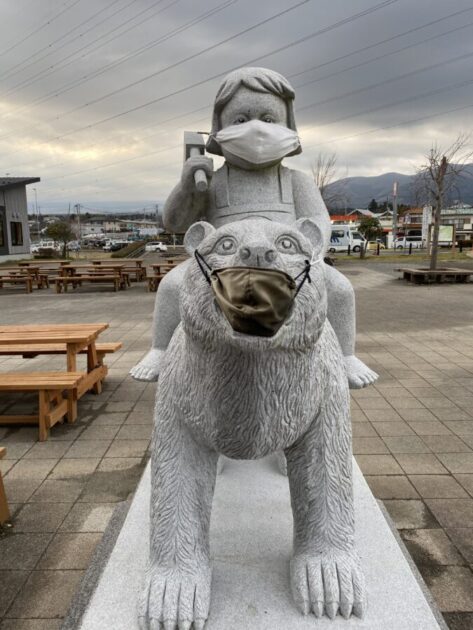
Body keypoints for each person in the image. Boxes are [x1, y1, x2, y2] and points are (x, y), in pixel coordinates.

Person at [130, 67, 377, 389]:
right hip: (221, 262)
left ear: (289, 126)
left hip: (286, 262)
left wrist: (307, 253)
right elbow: (175, 223)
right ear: (217, 130)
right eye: (241, 119)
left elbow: (319, 222)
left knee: (341, 289)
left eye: (269, 119)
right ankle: (160, 349)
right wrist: (187, 186)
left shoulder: (296, 181)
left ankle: (346, 355)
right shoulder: (213, 182)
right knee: (172, 285)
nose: (257, 129)